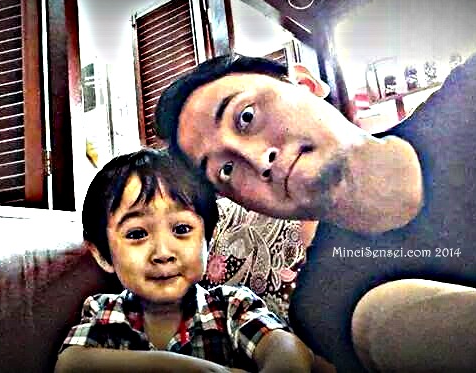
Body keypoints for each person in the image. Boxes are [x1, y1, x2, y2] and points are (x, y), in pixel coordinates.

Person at [155, 34, 476, 372]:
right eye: (225, 170)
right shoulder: (327, 307)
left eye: (246, 116)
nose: (258, 160)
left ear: (305, 84)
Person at [54, 148, 315, 372]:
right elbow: (70, 364)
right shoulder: (104, 312)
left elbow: (287, 349)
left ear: (207, 239)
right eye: (137, 234)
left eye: (181, 229)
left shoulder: (232, 307)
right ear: (102, 254)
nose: (163, 253)